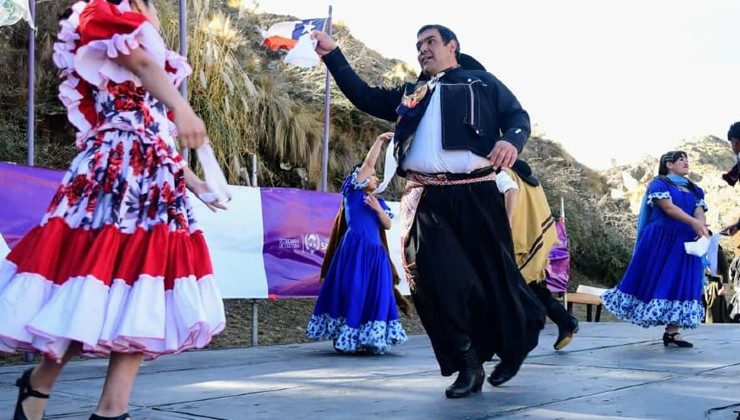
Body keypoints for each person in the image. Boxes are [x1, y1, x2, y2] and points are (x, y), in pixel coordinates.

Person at [0, 1, 227, 419]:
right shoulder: (101, 10)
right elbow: (137, 62)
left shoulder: (146, 12)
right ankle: (39, 383)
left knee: (144, 287)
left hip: (155, 174)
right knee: (89, 281)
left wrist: (194, 183)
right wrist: (184, 107)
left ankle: (111, 409)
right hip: (113, 168)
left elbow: (153, 121)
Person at [312, 24, 545, 398]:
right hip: (426, 199)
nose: (422, 49)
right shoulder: (411, 93)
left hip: (477, 193)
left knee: (495, 279)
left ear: (452, 46)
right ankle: (468, 364)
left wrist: (509, 140)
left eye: (430, 42)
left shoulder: (481, 82)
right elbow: (364, 96)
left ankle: (518, 340)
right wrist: (332, 54)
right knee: (438, 282)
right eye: (418, 45)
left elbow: (518, 117)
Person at [306, 132, 410, 354]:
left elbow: (387, 225)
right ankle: (347, 337)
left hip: (375, 255)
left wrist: (377, 209)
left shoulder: (377, 201)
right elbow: (368, 163)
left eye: (375, 176)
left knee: (378, 292)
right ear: (360, 177)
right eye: (372, 175)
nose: (375, 177)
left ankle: (369, 338)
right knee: (354, 289)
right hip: (355, 251)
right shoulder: (353, 193)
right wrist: (379, 142)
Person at [602, 151, 709, 347]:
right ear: (668, 164)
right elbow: (668, 208)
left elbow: (698, 211)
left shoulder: (696, 190)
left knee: (681, 280)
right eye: (681, 159)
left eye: (687, 159)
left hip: (687, 241)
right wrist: (694, 222)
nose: (686, 162)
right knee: (659, 277)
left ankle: (673, 332)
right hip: (662, 239)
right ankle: (649, 314)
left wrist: (701, 225)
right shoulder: (659, 184)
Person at [496, 160, 579, 350]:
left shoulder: (503, 174)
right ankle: (565, 321)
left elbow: (511, 191)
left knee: (505, 289)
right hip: (534, 237)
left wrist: (506, 224)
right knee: (533, 286)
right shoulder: (524, 174)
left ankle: (500, 343)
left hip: (516, 242)